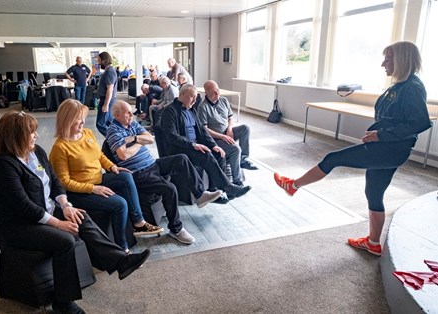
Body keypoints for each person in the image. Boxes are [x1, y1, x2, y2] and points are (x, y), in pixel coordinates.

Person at [273, 41, 431, 256]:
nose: (383, 64)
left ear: (402, 59)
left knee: (332, 158)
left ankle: (293, 185)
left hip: (389, 148)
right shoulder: (400, 85)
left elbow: (420, 122)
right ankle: (374, 243)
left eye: (388, 59)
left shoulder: (412, 87)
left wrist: (382, 135)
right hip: (387, 147)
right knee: (374, 192)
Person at [0, 111, 150, 314]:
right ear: (15, 136)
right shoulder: (3, 164)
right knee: (65, 240)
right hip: (19, 226)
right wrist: (58, 223)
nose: (36, 136)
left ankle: (120, 261)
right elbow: (23, 206)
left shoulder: (35, 151)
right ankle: (63, 304)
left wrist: (65, 206)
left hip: (44, 211)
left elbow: (55, 182)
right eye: (32, 132)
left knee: (80, 215)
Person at [49, 99, 163, 252]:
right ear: (67, 120)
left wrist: (112, 166)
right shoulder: (60, 148)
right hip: (79, 191)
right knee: (120, 204)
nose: (83, 122)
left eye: (83, 118)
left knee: (125, 177)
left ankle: (139, 222)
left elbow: (100, 156)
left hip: (98, 179)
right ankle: (122, 249)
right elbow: (63, 182)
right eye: (78, 120)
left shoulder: (87, 133)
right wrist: (93, 189)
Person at [106, 100, 223, 244]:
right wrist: (139, 142)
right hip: (139, 173)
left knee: (181, 159)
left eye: (131, 112)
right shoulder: (113, 131)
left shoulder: (132, 124)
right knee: (170, 189)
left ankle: (200, 195)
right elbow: (124, 155)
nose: (131, 114)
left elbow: (150, 138)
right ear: (117, 115)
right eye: (127, 113)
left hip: (153, 164)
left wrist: (135, 138)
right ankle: (176, 229)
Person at [160, 84, 252, 202]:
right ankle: (229, 187)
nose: (194, 100)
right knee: (206, 155)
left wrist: (214, 145)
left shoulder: (191, 110)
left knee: (219, 154)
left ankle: (215, 192)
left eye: (195, 97)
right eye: (191, 97)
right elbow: (171, 136)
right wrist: (193, 145)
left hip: (193, 146)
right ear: (181, 95)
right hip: (179, 148)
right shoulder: (170, 111)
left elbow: (203, 132)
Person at [197, 80, 258, 186]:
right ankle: (237, 181)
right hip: (215, 138)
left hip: (227, 132)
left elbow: (230, 118)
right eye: (213, 92)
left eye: (217, 90)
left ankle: (243, 159)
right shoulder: (203, 107)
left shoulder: (224, 100)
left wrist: (230, 129)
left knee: (245, 129)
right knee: (235, 149)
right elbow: (204, 129)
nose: (217, 93)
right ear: (206, 93)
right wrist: (222, 136)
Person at [96, 51, 118, 136]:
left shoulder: (110, 71)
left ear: (104, 60)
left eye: (99, 60)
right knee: (109, 122)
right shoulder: (108, 71)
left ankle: (114, 140)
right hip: (105, 99)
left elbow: (110, 89)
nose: (98, 62)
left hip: (107, 100)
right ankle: (116, 140)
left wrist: (106, 104)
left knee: (101, 123)